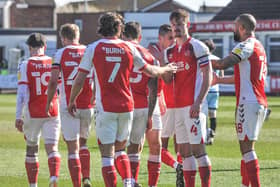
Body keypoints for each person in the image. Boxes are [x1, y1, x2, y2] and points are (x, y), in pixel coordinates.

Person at [67, 12, 176, 187]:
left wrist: (72, 100)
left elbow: (79, 79)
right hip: (127, 107)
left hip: (106, 108)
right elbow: (151, 72)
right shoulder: (129, 48)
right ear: (118, 28)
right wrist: (165, 68)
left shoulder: (94, 47)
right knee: (121, 150)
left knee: (107, 154)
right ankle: (128, 182)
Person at [212, 13, 267, 187]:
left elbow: (223, 63)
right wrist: (219, 80)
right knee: (247, 149)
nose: (233, 29)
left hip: (248, 102)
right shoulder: (259, 45)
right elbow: (243, 76)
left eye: (235, 26)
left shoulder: (245, 45)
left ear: (242, 28)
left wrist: (201, 60)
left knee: (247, 150)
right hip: (258, 101)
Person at [164, 9, 213, 187]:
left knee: (198, 150)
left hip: (193, 106)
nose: (176, 28)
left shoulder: (197, 46)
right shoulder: (169, 52)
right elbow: (169, 79)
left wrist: (198, 101)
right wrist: (162, 72)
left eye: (180, 24)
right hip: (177, 108)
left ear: (188, 25)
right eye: (174, 25)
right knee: (185, 152)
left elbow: (208, 75)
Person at [46, 23, 94, 187]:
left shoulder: (60, 53)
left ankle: (77, 185)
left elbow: (53, 82)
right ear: (78, 35)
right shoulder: (89, 50)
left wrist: (48, 104)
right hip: (88, 104)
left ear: (63, 38)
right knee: (84, 144)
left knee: (73, 148)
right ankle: (86, 176)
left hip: (69, 105)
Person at [15, 33, 61, 187]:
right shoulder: (54, 62)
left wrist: (18, 116)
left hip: (33, 111)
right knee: (52, 147)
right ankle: (54, 176)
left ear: (29, 48)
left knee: (32, 148)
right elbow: (59, 87)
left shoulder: (26, 64)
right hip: (53, 110)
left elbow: (21, 93)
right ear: (45, 47)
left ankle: (33, 185)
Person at [123, 21, 163, 187]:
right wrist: (151, 113)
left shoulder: (120, 52)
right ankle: (151, 185)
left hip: (126, 105)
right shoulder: (150, 56)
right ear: (139, 37)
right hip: (148, 104)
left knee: (129, 148)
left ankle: (132, 181)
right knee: (155, 145)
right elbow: (155, 89)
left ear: (122, 36)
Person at [148, 24, 184, 187]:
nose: (173, 41)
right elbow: (163, 78)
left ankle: (179, 167)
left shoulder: (171, 52)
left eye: (174, 38)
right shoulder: (153, 52)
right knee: (159, 144)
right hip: (162, 102)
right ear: (160, 38)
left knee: (171, 143)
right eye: (170, 38)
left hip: (171, 103)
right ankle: (178, 167)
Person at [202, 39, 224, 145]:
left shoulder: (203, 60)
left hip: (205, 90)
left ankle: (206, 135)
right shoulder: (218, 59)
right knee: (213, 114)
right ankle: (212, 136)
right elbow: (221, 77)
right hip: (215, 90)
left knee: (204, 115)